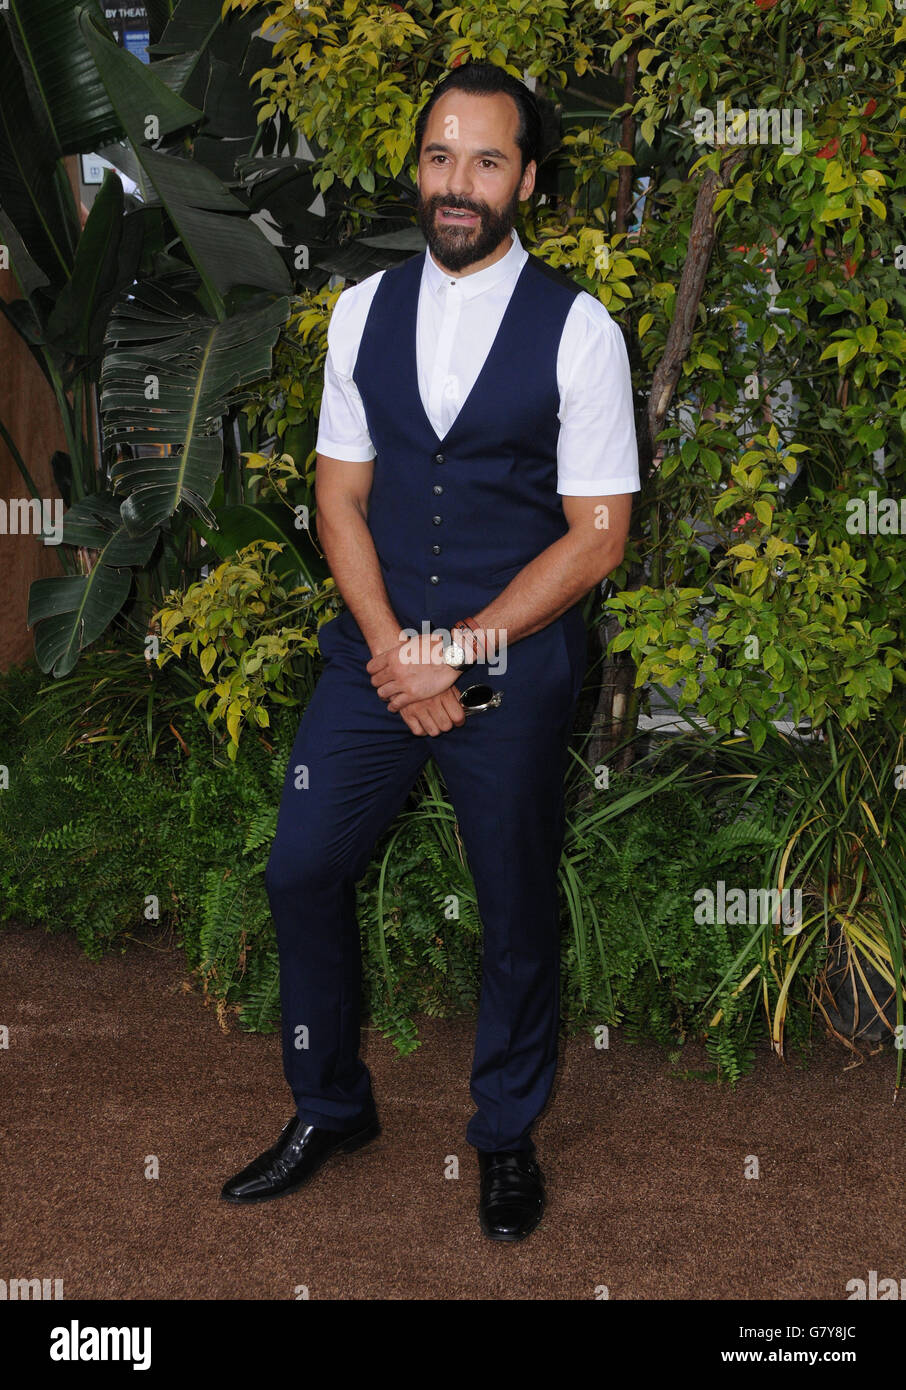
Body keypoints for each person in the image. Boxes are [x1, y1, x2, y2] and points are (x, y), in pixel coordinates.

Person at [221, 61, 640, 1241]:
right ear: (419, 167)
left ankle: (505, 1135)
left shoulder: (581, 329)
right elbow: (337, 499)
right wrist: (394, 651)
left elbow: (599, 537)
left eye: (488, 160)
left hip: (512, 663)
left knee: (512, 909)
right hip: (376, 651)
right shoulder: (360, 312)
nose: (459, 184)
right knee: (300, 868)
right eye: (441, 157)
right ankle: (330, 1104)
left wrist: (456, 651)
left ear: (527, 179)